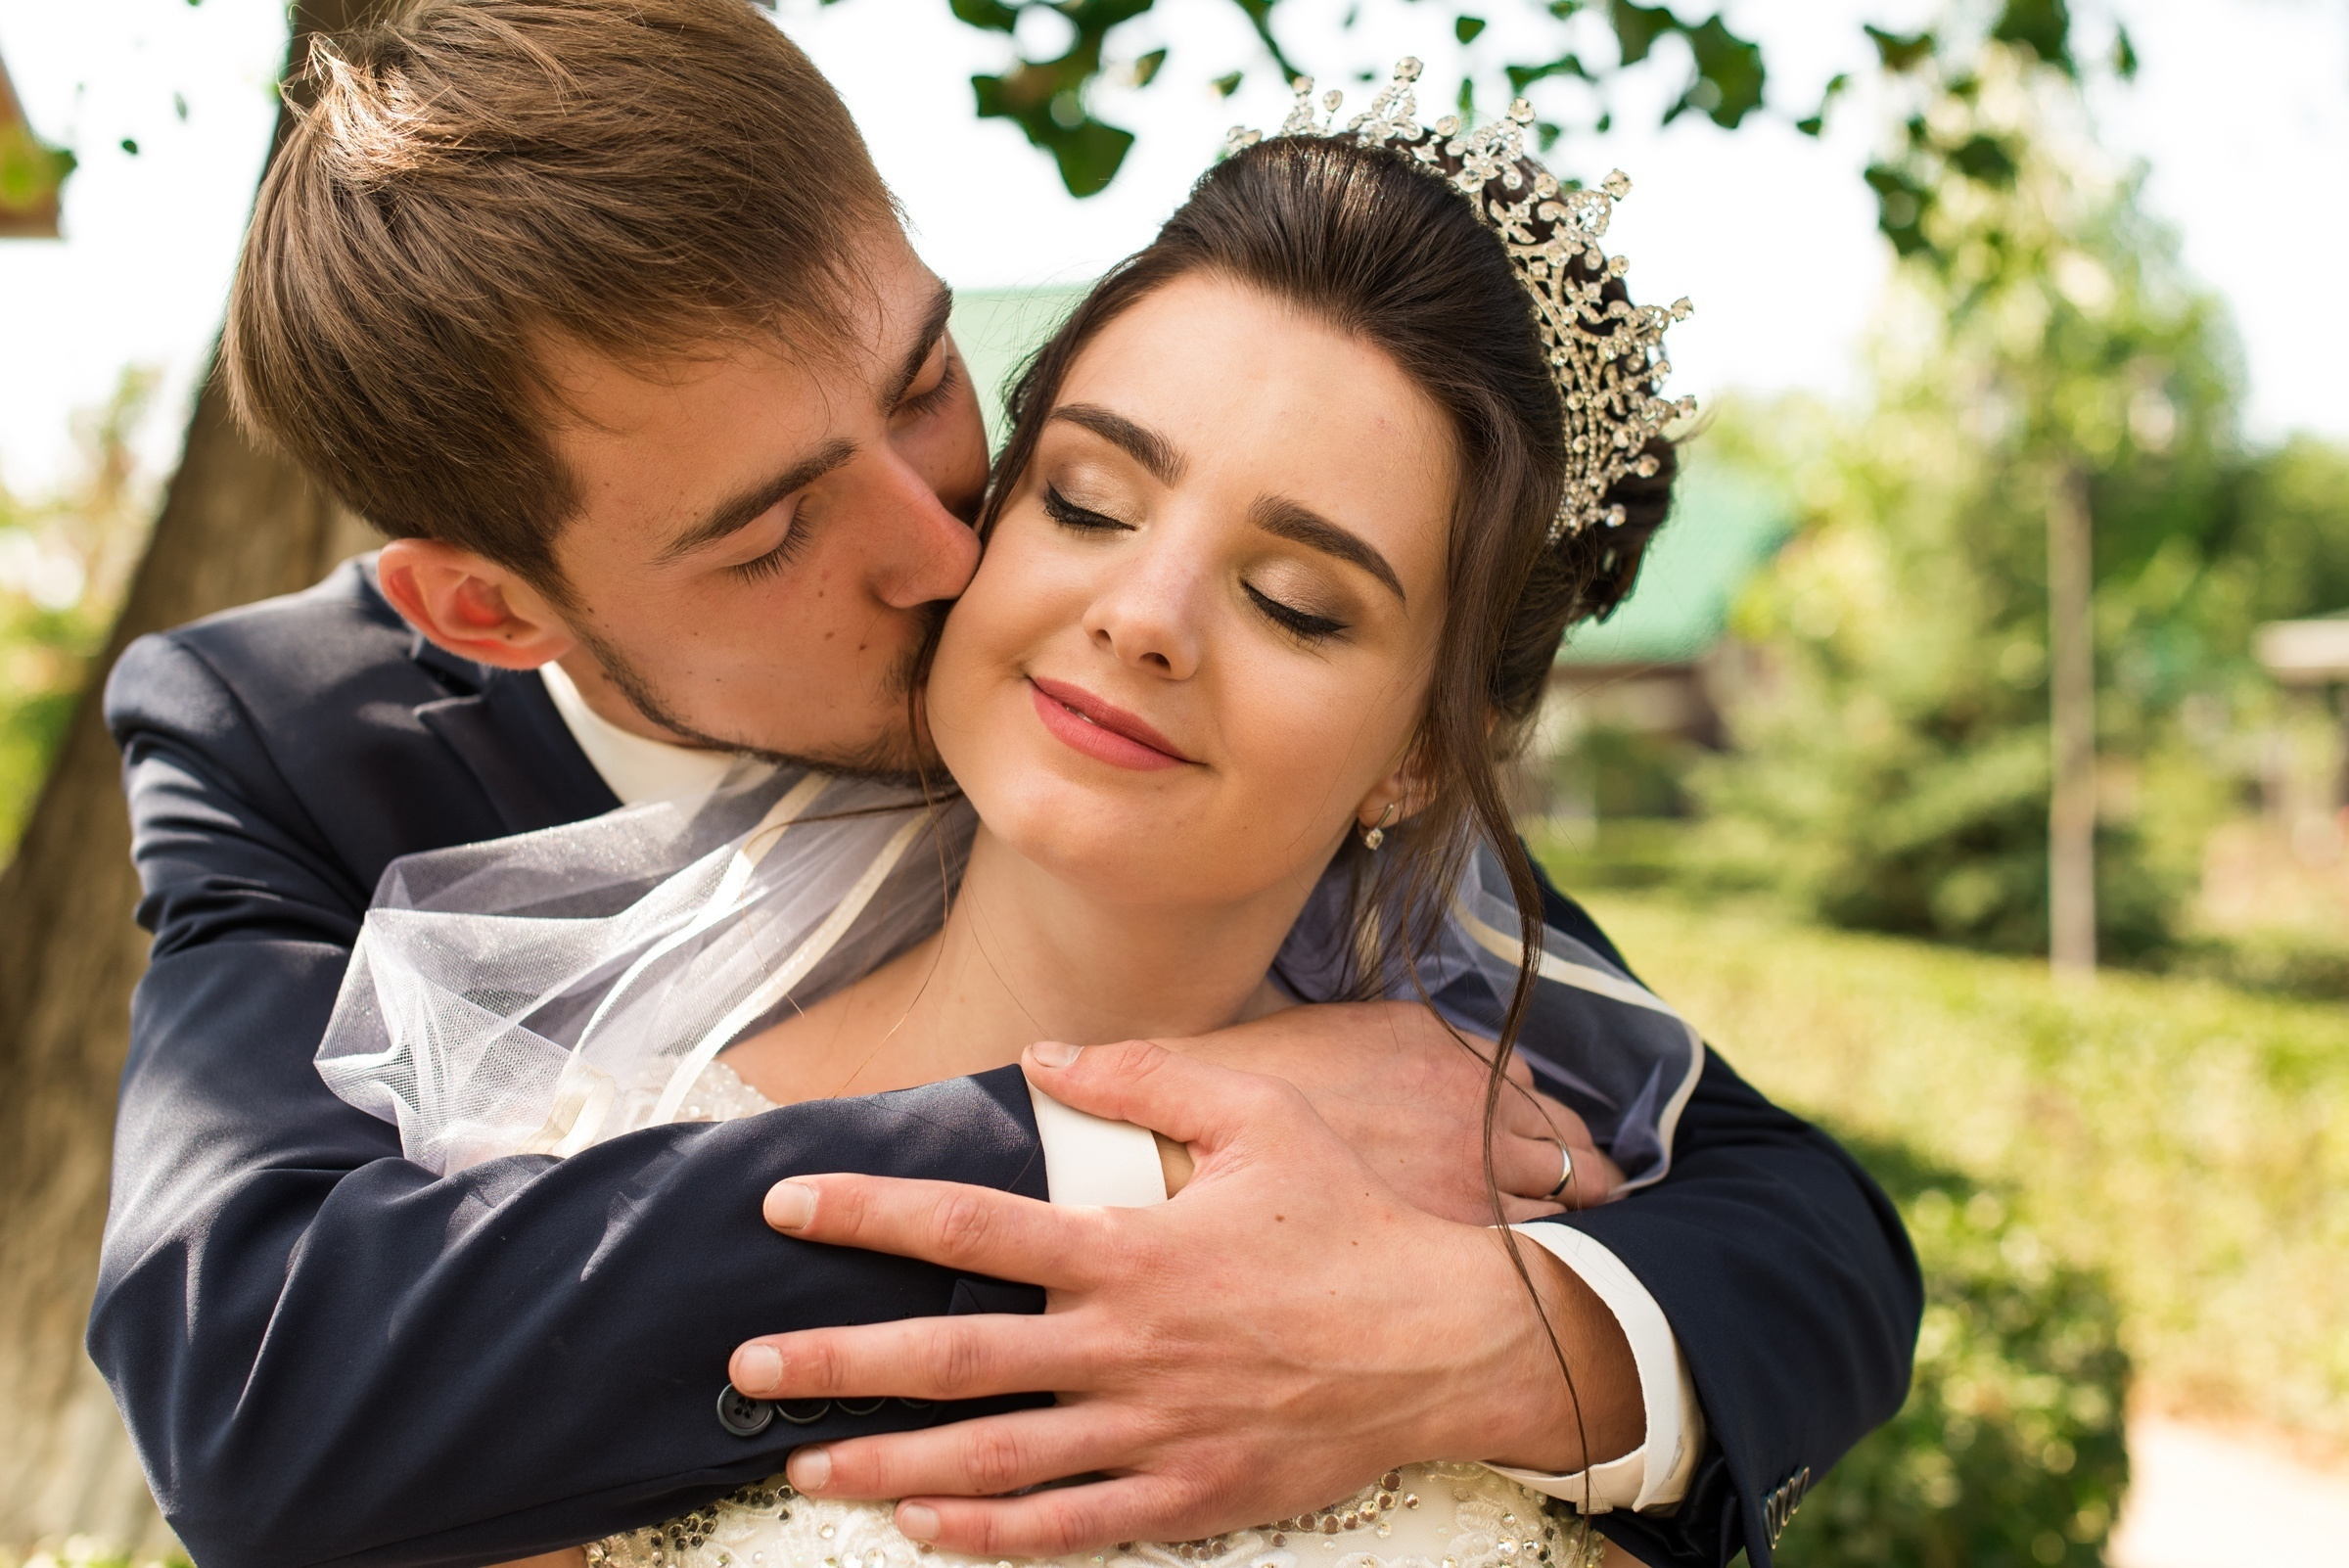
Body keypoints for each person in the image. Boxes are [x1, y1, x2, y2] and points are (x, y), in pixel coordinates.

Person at [91, 4, 1919, 1567]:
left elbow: (1791, 1218)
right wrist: (1132, 1143)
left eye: (929, 388)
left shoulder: (1203, 759)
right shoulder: (283, 734)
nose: (946, 544)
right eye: (774, 528)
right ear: (490, 610)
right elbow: (259, 1374)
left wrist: (1489, 1337)